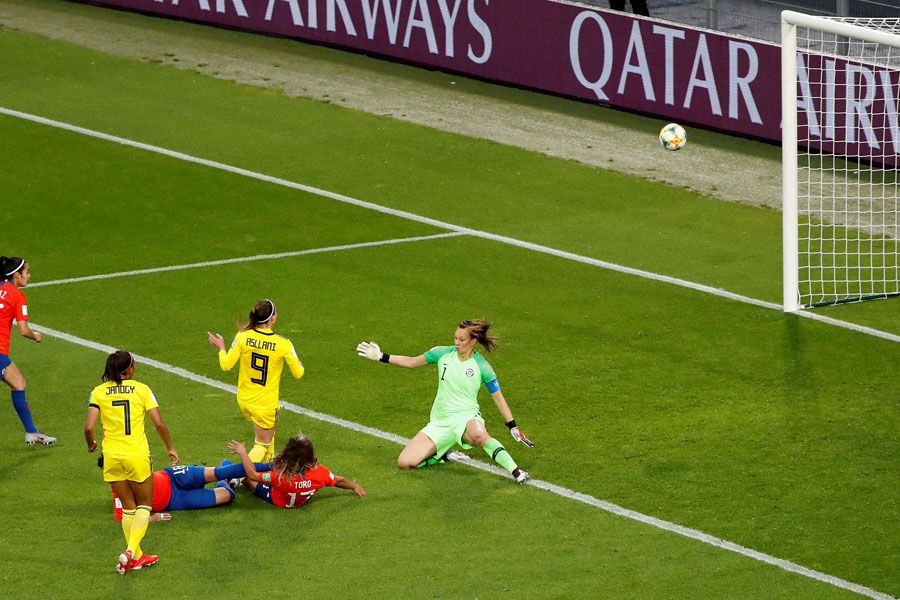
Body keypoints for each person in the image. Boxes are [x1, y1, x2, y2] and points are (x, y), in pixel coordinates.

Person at [356, 319, 534, 484]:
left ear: (473, 341)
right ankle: (444, 456)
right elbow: (411, 362)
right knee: (405, 462)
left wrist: (512, 426)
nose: (457, 342)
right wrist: (381, 356)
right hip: (441, 421)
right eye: (455, 338)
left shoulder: (482, 367)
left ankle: (517, 472)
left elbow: (498, 397)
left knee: (480, 435)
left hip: (466, 417)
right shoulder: (441, 353)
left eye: (462, 339)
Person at [84, 350, 179, 574]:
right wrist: (170, 447)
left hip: (112, 456)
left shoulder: (98, 392)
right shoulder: (142, 390)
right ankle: (130, 550)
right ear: (130, 369)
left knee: (128, 507)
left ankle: (136, 557)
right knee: (144, 504)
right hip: (136, 455)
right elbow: (158, 423)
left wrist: (91, 444)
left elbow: (89, 427)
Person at [207, 299, 304, 463]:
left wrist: (221, 348)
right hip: (264, 405)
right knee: (262, 444)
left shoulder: (242, 336)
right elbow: (298, 373)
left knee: (268, 436)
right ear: (272, 318)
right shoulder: (283, 344)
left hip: (244, 400)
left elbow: (226, 365)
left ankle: (268, 467)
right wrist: (299, 364)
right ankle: (237, 476)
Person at [0, 256, 55, 445]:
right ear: (17, 274)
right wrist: (36, 336)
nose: (29, 276)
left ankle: (31, 432)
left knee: (18, 383)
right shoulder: (16, 295)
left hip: (1, 356)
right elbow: (23, 330)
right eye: (27, 272)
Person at [227, 435, 366, 508]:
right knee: (271, 466)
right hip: (296, 496)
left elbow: (254, 475)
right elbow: (338, 480)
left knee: (250, 480)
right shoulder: (321, 473)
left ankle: (236, 480)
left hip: (277, 497)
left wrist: (242, 452)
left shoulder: (280, 477)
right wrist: (354, 486)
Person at [103, 457, 260, 521]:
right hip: (176, 500)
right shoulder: (118, 490)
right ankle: (226, 481)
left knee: (218, 473)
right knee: (227, 496)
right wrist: (153, 518)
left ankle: (270, 466)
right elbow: (122, 519)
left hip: (173, 476)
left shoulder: (134, 464)